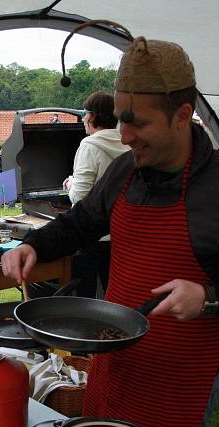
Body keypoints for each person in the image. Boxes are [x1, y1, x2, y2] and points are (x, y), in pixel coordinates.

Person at [1, 36, 219, 427]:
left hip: (176, 385)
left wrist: (210, 298)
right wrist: (35, 245)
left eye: (137, 122)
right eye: (121, 120)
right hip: (112, 367)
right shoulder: (126, 172)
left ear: (183, 115)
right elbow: (81, 224)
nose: (125, 135)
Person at [62, 91, 131, 298]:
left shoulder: (89, 146)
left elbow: (79, 198)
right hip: (119, 232)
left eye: (85, 114)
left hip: (91, 236)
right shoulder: (127, 143)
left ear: (93, 116)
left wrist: (71, 183)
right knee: (114, 294)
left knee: (86, 295)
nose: (83, 119)